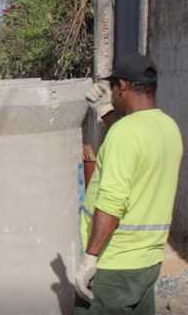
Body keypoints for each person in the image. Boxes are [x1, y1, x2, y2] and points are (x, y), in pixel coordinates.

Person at [77, 54, 183, 315]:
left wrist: (90, 258)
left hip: (116, 262)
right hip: (148, 260)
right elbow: (135, 143)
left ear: (123, 85)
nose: (111, 93)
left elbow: (111, 204)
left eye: (113, 87)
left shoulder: (125, 135)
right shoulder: (168, 128)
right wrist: (105, 111)